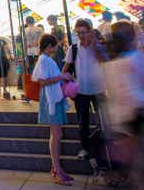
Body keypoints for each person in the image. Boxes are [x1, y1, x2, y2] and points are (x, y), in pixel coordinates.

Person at [101, 20, 144, 187]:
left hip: (122, 122)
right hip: (136, 118)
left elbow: (110, 93)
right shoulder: (135, 59)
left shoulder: (110, 64)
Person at [61, 18, 106, 160]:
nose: (81, 35)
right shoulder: (73, 48)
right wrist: (62, 82)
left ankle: (105, 148)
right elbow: (66, 67)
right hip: (81, 91)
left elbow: (105, 63)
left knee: (103, 120)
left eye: (84, 32)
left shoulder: (98, 46)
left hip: (99, 90)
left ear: (90, 32)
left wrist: (96, 46)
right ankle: (85, 148)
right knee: (83, 123)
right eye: (78, 32)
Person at [32, 34, 73, 185]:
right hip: (51, 99)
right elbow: (43, 82)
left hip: (52, 98)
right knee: (56, 134)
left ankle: (57, 168)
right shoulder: (44, 60)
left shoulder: (45, 59)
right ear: (50, 46)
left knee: (56, 134)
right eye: (56, 45)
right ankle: (57, 169)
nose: (58, 47)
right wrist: (63, 77)